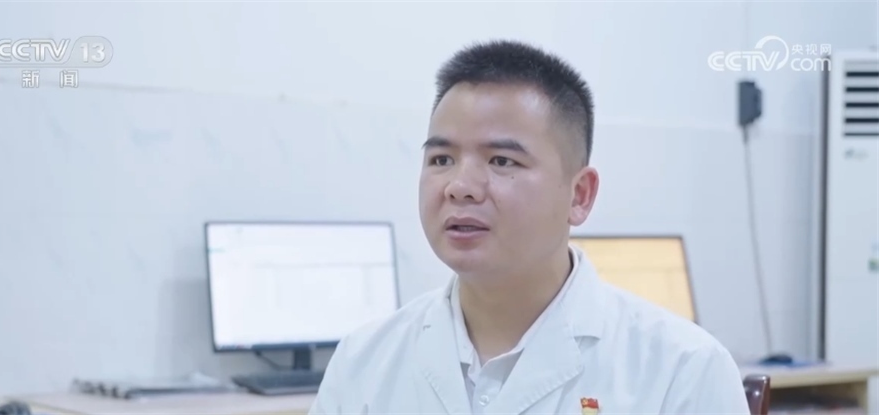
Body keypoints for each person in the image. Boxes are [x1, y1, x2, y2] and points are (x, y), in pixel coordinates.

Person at [309, 40, 750, 414]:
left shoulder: (683, 370)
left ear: (579, 195)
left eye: (502, 161)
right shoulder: (363, 362)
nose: (460, 187)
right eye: (442, 159)